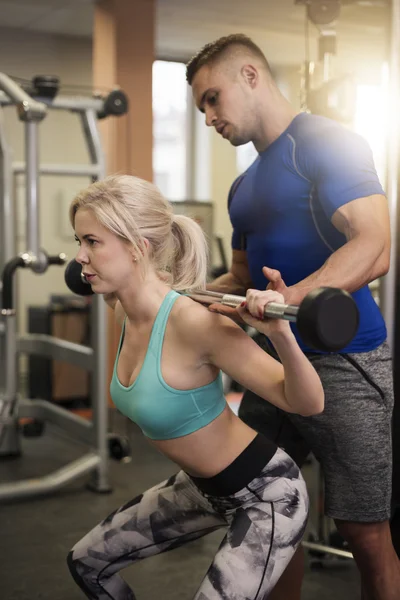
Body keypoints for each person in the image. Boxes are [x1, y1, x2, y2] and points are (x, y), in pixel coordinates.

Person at [186, 33, 398, 600]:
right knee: (263, 512)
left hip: (346, 365)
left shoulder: (328, 143)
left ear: (251, 76)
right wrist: (180, 296)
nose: (208, 117)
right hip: (276, 365)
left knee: (365, 531)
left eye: (212, 98)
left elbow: (375, 243)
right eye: (200, 107)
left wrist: (292, 296)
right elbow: (240, 278)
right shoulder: (243, 187)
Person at [66, 174, 324, 599]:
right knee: (87, 563)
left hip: (267, 495)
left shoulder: (196, 323)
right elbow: (149, 280)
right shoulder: (124, 308)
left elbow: (309, 402)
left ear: (136, 247)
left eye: (92, 242)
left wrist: (280, 334)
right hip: (201, 489)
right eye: (79, 241)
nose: (80, 258)